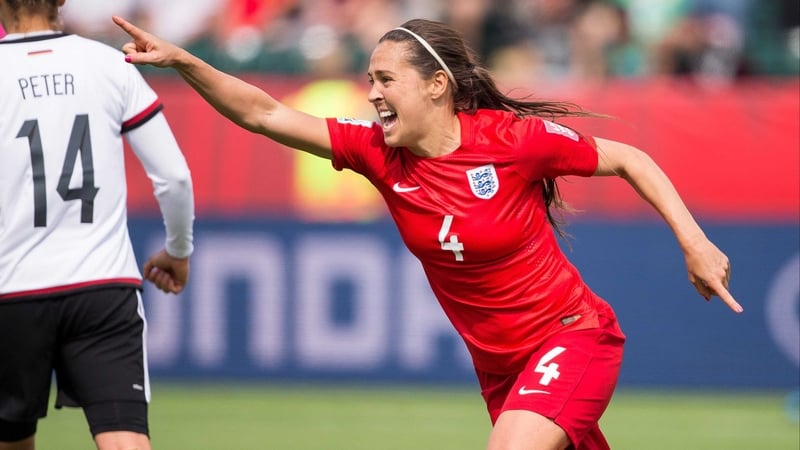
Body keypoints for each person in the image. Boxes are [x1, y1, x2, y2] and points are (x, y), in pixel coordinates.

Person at [112, 15, 741, 450]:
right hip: (500, 371)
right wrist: (184, 60)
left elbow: (632, 158)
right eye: (370, 83)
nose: (373, 95)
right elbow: (264, 111)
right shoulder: (377, 155)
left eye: (386, 81)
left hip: (573, 340)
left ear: (438, 85)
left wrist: (695, 242)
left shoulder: (512, 141)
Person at [0, 1, 195, 450]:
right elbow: (174, 177)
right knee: (126, 440)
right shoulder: (109, 65)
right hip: (102, 285)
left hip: (12, 289)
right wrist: (178, 251)